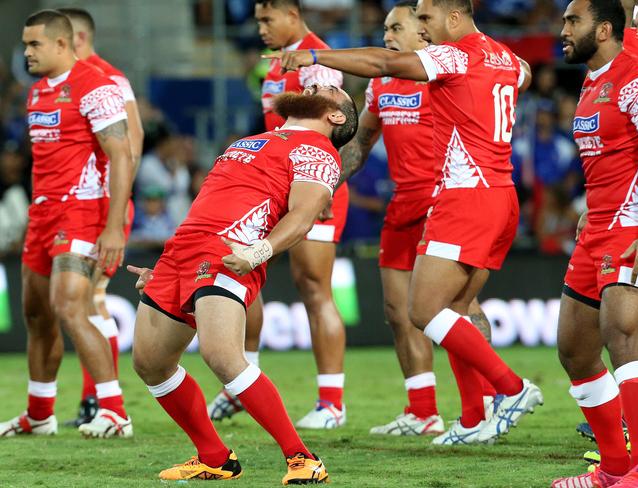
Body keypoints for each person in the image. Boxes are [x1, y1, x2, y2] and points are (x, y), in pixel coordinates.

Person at [271, 0, 544, 445]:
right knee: (446, 311)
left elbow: (381, 62)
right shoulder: (504, 57)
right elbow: (524, 73)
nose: (419, 27)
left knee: (425, 310)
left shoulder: (454, 56)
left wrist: (315, 55)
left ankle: (509, 389)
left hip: (463, 194)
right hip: (496, 193)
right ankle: (471, 418)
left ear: (453, 18)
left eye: (424, 19)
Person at [128, 84, 358, 482]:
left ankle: (303, 458)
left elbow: (302, 216)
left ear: (335, 116)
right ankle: (215, 457)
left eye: (329, 88)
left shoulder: (318, 152)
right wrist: (169, 271)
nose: (315, 84)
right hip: (180, 250)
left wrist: (256, 253)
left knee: (222, 355)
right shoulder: (253, 140)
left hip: (228, 250)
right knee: (150, 363)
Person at [338, 0, 496, 440]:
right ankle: (422, 409)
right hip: (402, 203)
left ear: (422, 32)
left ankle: (486, 399)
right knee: (397, 312)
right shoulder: (381, 86)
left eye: (397, 27)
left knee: (458, 308)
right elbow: (361, 143)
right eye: (385, 28)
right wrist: (325, 184)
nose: (388, 34)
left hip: (446, 201)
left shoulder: (445, 72)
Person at [208, 0, 349, 430]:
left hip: (310, 184)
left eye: (268, 19)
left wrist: (328, 184)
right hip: (272, 185)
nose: (261, 28)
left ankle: (331, 403)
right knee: (243, 276)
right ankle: (239, 380)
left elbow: (333, 126)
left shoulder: (316, 64)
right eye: (256, 21)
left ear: (292, 15)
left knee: (313, 287)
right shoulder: (274, 65)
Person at [0, 10, 132, 438]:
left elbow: (122, 155)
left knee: (71, 306)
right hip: (42, 215)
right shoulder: (37, 92)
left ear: (63, 44)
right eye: (25, 44)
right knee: (36, 314)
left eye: (34, 44)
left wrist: (113, 227)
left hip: (81, 212)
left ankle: (114, 410)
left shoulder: (97, 88)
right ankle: (39, 414)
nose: (26, 52)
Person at [549, 0, 638, 486]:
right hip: (597, 229)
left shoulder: (637, 75)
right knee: (574, 348)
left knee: (626, 342)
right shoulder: (593, 77)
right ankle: (612, 467)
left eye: (573, 22)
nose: (563, 30)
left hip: (634, 227)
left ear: (606, 28)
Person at [58, 6, 145, 427]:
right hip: (84, 205)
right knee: (88, 300)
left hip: (101, 205)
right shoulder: (70, 79)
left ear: (74, 38)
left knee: (90, 300)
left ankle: (99, 401)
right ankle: (94, 400)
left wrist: (118, 201)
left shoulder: (104, 76)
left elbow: (134, 139)